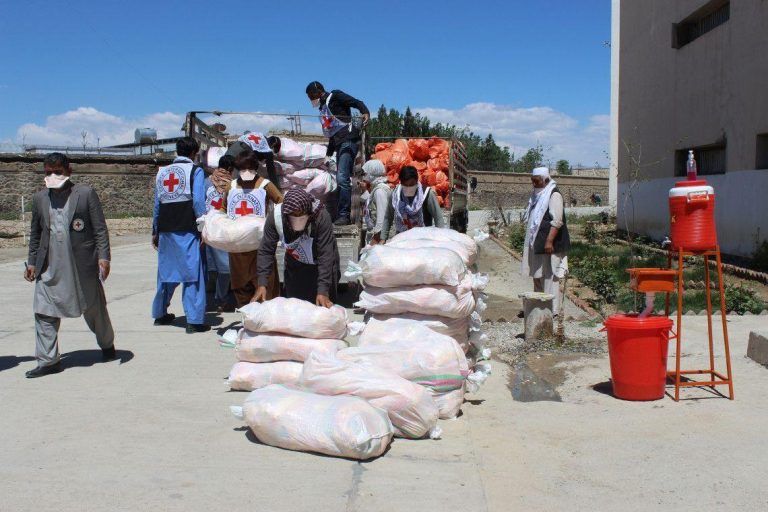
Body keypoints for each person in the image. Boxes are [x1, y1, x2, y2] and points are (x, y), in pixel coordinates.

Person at [24, 152, 116, 378]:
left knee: (94, 308)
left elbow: (100, 229)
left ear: (69, 171)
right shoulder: (39, 198)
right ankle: (48, 360)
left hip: (80, 265)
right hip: (49, 266)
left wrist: (104, 257)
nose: (53, 176)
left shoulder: (85, 194)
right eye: (48, 173)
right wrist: (33, 262)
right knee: (43, 310)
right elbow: (35, 234)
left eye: (58, 172)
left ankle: (107, 344)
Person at [151, 137, 210, 333]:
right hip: (187, 228)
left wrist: (155, 230)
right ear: (195, 152)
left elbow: (157, 204)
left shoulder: (162, 172)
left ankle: (160, 314)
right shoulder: (195, 171)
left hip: (166, 228)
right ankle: (194, 320)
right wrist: (203, 228)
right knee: (193, 273)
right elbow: (199, 203)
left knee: (166, 272)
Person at [255, 189, 340, 307]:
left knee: (322, 310)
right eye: (293, 215)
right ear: (286, 213)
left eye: (301, 215)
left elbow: (325, 255)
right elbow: (266, 251)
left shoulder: (321, 217)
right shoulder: (276, 218)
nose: (298, 218)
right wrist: (262, 284)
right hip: (295, 263)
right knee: (295, 306)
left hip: (321, 263)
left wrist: (323, 290)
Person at [220, 149, 283, 306]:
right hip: (237, 248)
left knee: (267, 287)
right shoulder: (231, 187)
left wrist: (274, 226)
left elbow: (281, 203)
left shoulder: (265, 185)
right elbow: (223, 210)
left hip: (259, 247)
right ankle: (248, 321)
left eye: (250, 168)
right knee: (241, 288)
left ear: (256, 167)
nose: (246, 172)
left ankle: (268, 321)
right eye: (242, 168)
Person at [305, 80, 369, 226]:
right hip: (339, 143)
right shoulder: (324, 109)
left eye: (311, 97)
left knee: (342, 178)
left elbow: (356, 102)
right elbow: (333, 134)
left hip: (349, 141)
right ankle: (341, 214)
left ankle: (344, 215)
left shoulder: (335, 96)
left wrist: (365, 112)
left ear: (317, 92)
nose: (311, 101)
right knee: (340, 178)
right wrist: (328, 155)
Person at [521, 166, 571, 317]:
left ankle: (552, 310)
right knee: (537, 275)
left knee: (550, 276)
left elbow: (557, 221)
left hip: (549, 244)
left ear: (545, 179)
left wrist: (549, 242)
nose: (534, 184)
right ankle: (539, 306)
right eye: (532, 181)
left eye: (536, 181)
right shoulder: (538, 195)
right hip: (537, 243)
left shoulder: (553, 195)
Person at [204, 154, 236, 312]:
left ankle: (212, 300)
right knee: (224, 269)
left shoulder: (206, 182)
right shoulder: (233, 185)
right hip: (222, 228)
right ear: (231, 169)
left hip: (207, 227)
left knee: (213, 268)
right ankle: (219, 300)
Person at [381, 165, 445, 241]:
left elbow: (438, 218)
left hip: (423, 241)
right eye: (405, 185)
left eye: (411, 184)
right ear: (400, 183)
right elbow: (388, 217)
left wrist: (441, 239)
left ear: (417, 181)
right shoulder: (395, 196)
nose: (408, 188)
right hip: (402, 240)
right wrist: (383, 239)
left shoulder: (426, 194)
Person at [360, 159, 392, 245]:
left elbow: (382, 219)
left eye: (365, 174)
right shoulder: (377, 188)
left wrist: (375, 241)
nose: (364, 177)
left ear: (371, 174)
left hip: (380, 239)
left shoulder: (380, 191)